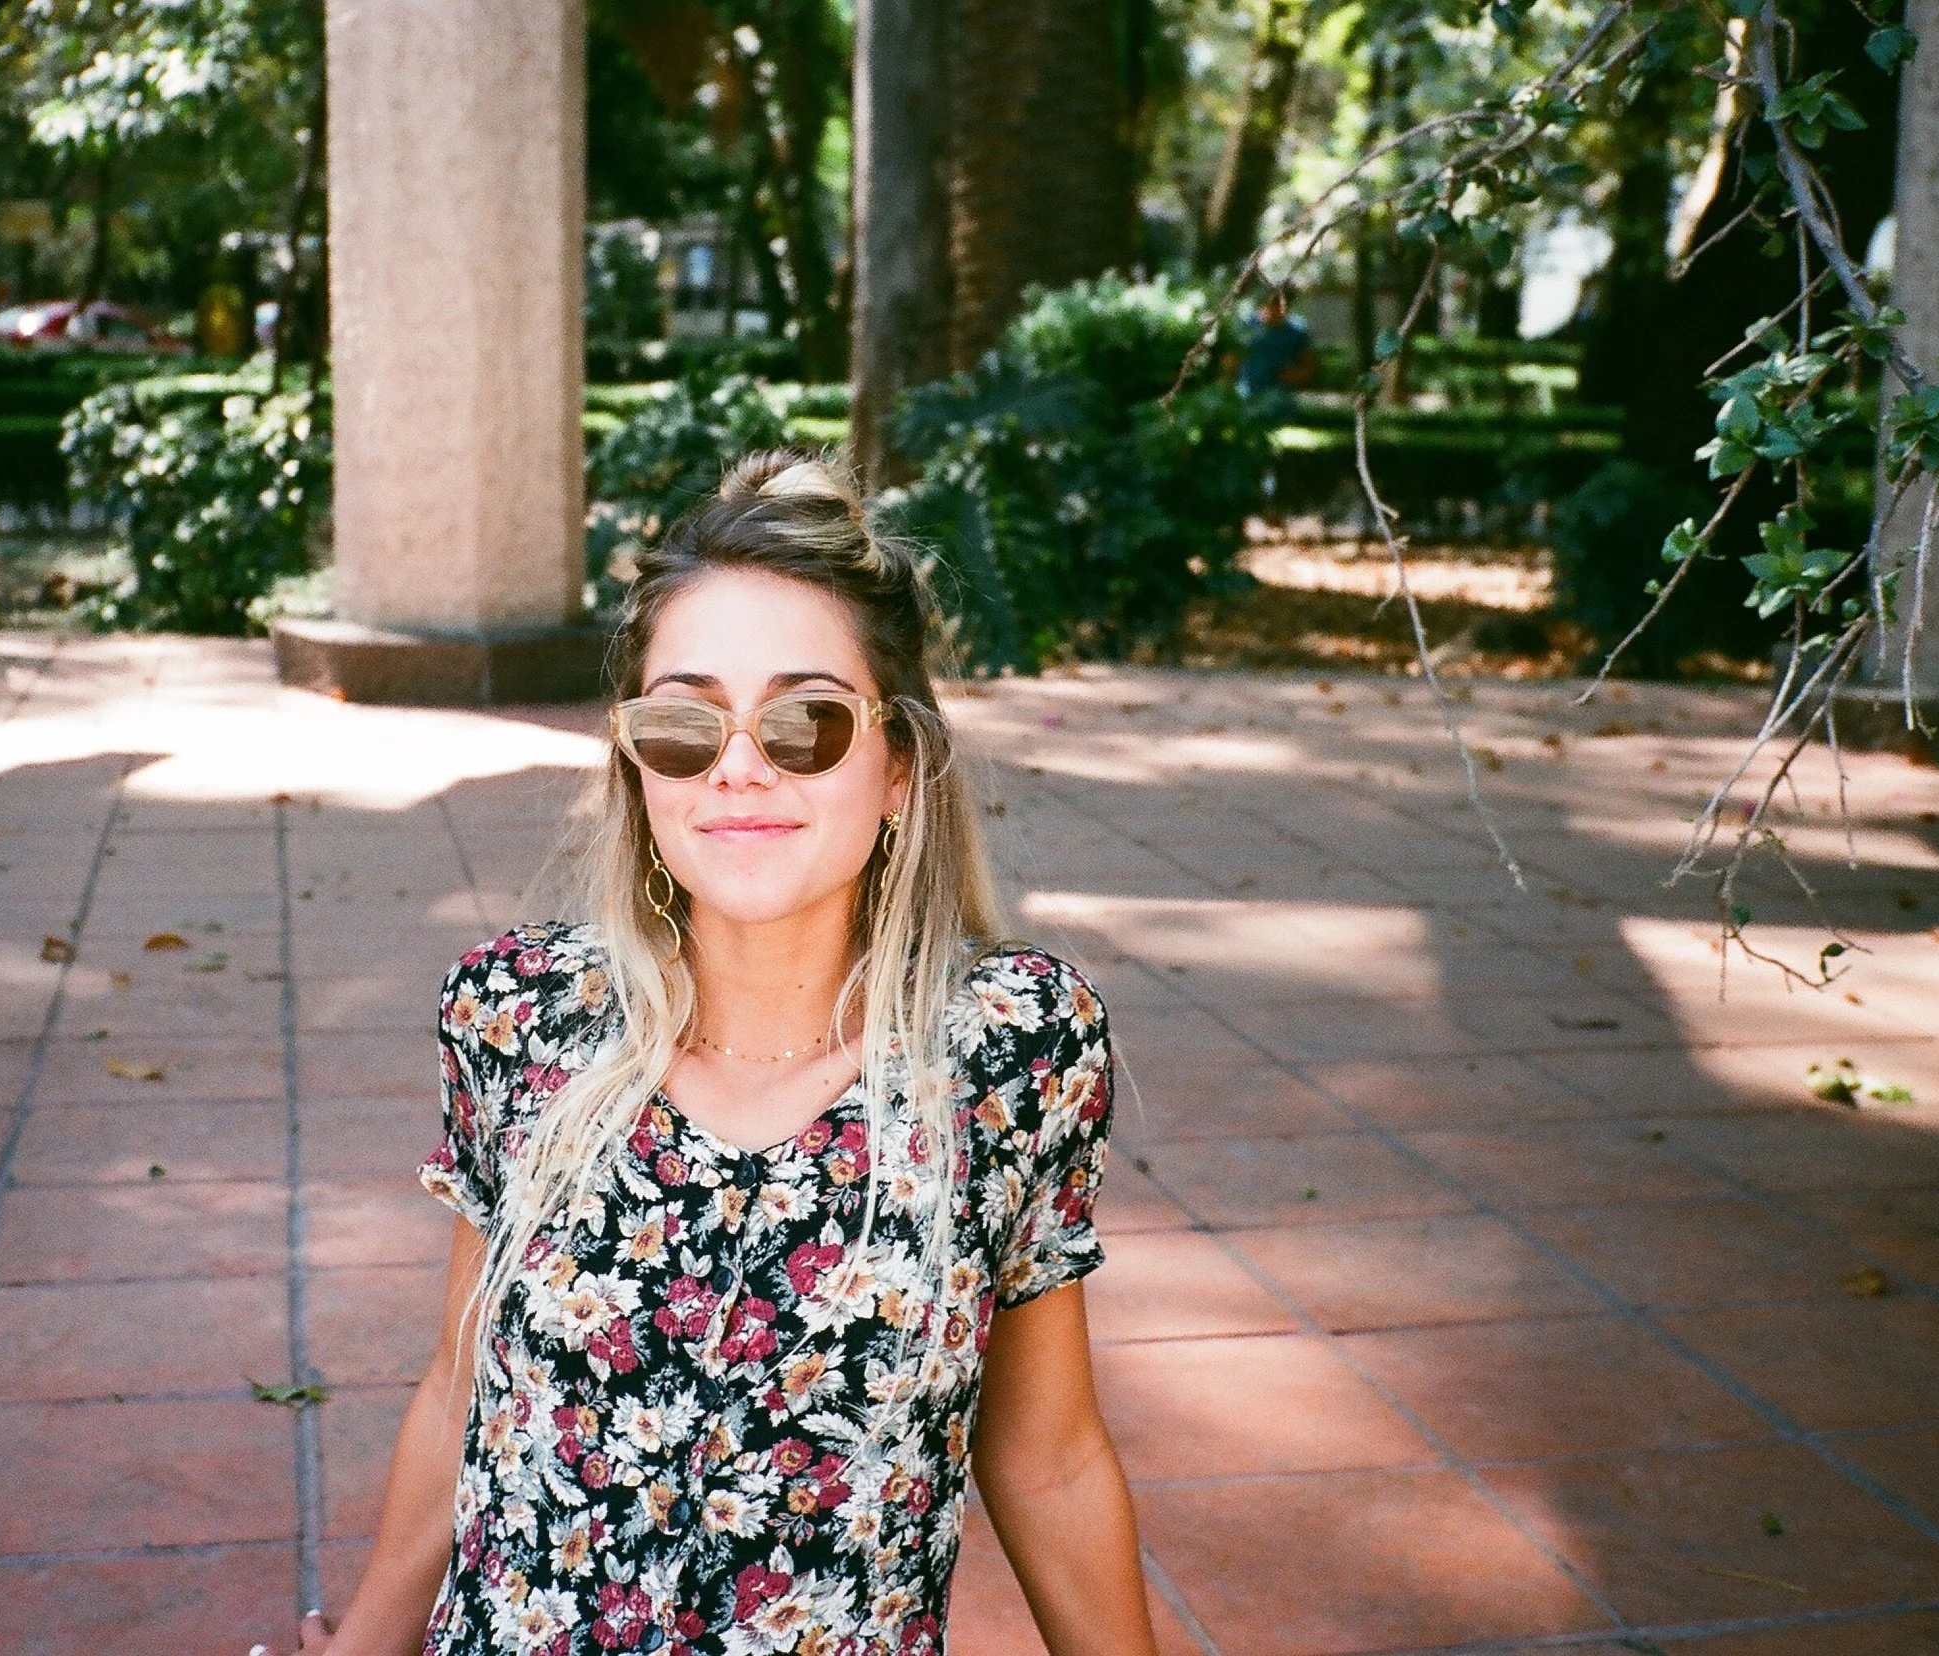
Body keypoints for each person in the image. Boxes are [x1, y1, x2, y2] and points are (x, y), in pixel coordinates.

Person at [300, 451, 1159, 1656]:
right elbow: (461, 1398)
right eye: (684, 723)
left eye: (805, 720)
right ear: (635, 760)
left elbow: (1048, 1457)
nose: (738, 767)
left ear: (898, 763)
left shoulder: (1008, 1052)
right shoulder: (518, 1015)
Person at [1235, 286, 1317, 401]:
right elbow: (1234, 356)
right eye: (1265, 307)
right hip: (1247, 391)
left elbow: (1308, 365)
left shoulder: (1297, 330)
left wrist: (1294, 375)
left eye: (1274, 308)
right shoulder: (1249, 324)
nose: (1267, 312)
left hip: (1279, 394)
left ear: (1284, 308)